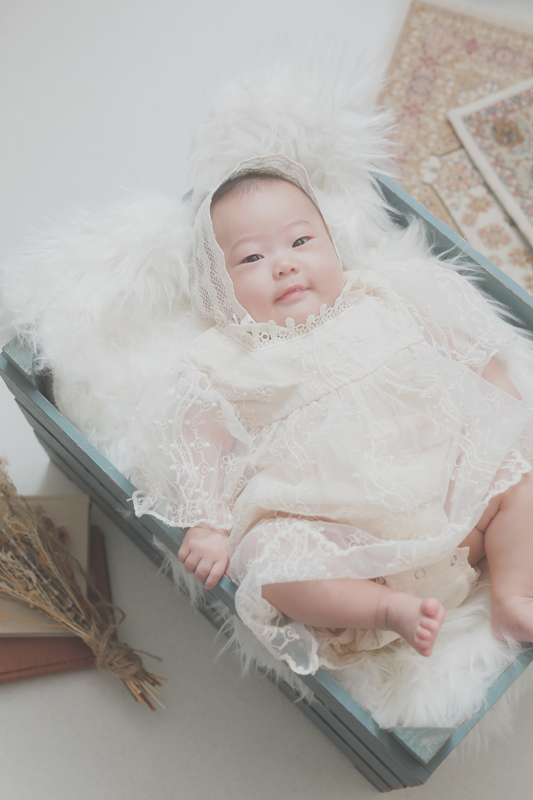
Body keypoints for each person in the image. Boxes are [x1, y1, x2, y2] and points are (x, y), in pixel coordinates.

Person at [130, 155, 533, 674]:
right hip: (350, 556)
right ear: (217, 286)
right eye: (251, 257)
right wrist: (207, 523)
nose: (284, 264)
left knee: (517, 472)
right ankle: (388, 610)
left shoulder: (379, 298)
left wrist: (509, 416)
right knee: (267, 556)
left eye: (301, 241)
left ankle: (514, 596)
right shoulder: (225, 357)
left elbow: (468, 353)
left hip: (455, 512)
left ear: (332, 244)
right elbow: (199, 438)